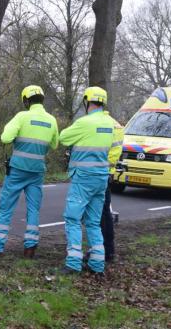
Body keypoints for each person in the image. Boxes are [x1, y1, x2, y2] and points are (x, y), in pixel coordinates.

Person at [0, 85, 59, 259]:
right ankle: (30, 247)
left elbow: (5, 138)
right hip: (37, 172)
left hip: (17, 171)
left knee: (6, 208)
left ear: (26, 101)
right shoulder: (51, 120)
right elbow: (55, 144)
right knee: (33, 209)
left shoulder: (22, 116)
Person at [58, 86, 115, 275]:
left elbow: (63, 138)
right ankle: (97, 264)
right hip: (101, 178)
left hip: (84, 177)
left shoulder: (84, 122)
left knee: (73, 218)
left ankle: (73, 263)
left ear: (87, 101)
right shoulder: (109, 123)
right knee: (93, 222)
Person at [102, 111, 124, 263]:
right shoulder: (117, 125)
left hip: (98, 171)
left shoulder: (99, 123)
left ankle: (105, 250)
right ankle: (109, 250)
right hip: (109, 171)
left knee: (101, 214)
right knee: (105, 213)